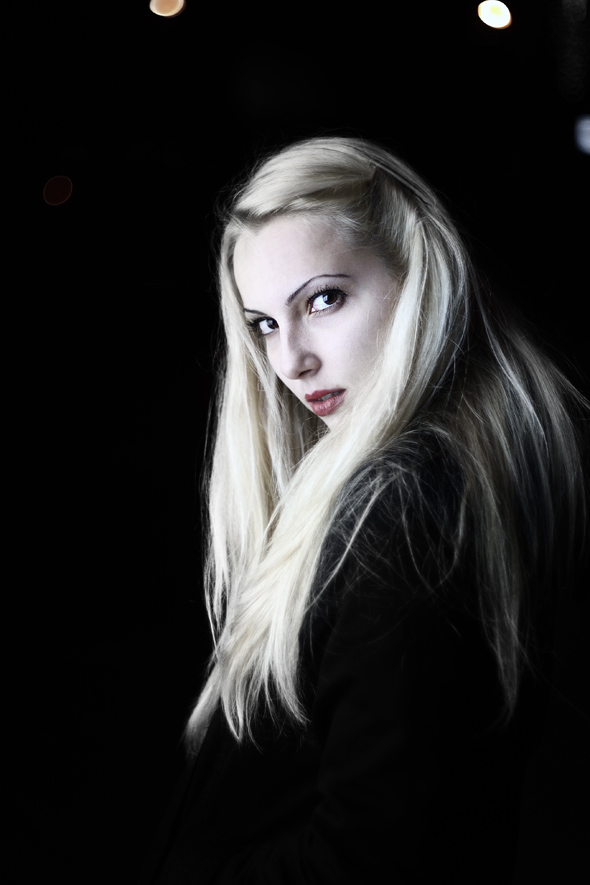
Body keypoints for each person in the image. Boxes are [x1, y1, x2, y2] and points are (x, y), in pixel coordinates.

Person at [144, 136, 588, 883]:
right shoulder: (457, 469)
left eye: (323, 299)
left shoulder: (407, 508)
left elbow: (370, 856)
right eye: (264, 324)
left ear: (419, 277)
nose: (291, 361)